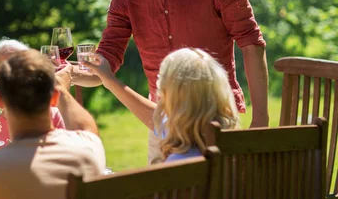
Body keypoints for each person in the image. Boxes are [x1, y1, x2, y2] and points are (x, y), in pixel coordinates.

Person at [73, 0, 268, 163]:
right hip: (159, 118)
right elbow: (106, 61)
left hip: (214, 113)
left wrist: (261, 119)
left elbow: (251, 43)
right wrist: (66, 73)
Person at [0, 50, 106, 199]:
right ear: (54, 99)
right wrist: (61, 89)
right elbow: (88, 129)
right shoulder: (88, 151)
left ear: (0, 100)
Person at [85, 47, 239, 162]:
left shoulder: (179, 163)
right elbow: (156, 118)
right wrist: (110, 80)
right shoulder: (237, 153)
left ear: (172, 97)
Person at [0, 38, 66, 160]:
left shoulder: (50, 112)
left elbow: (63, 157)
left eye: (20, 65)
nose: (13, 73)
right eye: (4, 67)